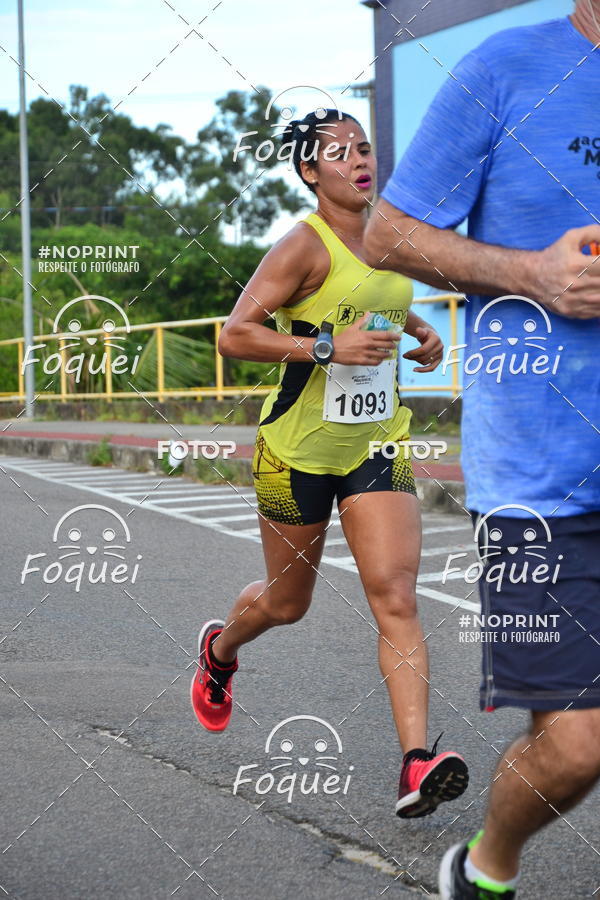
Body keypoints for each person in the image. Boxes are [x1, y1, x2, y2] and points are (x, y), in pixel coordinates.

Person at [363, 0, 600, 895]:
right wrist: (530, 273)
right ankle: (486, 868)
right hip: (541, 486)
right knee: (577, 747)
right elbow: (389, 235)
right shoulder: (505, 69)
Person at [190, 109, 469, 818]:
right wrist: (325, 349)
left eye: (365, 147)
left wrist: (419, 329)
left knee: (397, 597)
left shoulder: (392, 234)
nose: (359, 160)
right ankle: (221, 650)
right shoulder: (300, 247)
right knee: (288, 604)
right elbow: (234, 336)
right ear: (310, 172)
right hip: (297, 453)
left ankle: (415, 763)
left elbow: (373, 300)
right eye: (339, 153)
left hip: (376, 443)